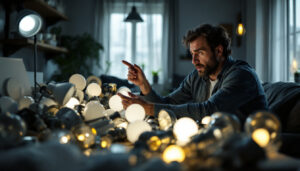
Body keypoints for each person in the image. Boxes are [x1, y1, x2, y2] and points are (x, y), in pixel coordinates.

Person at [118, 24, 268, 123]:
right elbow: (168, 104)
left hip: (248, 146)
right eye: (192, 54)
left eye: (200, 53)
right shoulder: (197, 77)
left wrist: (148, 108)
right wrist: (144, 85)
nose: (194, 61)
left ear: (219, 50)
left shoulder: (241, 75)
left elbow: (210, 110)